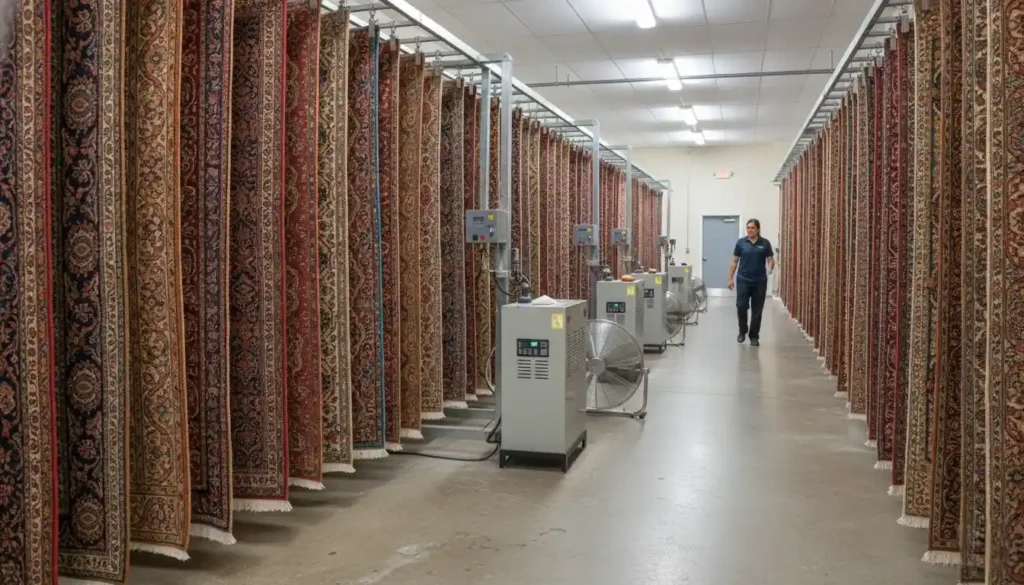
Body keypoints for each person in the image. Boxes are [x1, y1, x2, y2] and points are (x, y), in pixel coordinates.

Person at [726, 219, 775, 347]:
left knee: (757, 310)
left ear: (758, 229)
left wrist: (770, 267)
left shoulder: (765, 243)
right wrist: (730, 278)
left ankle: (754, 336)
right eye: (748, 228)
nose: (750, 230)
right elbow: (734, 261)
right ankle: (742, 331)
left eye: (753, 228)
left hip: (759, 281)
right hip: (743, 280)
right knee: (741, 306)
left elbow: (770, 259)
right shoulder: (741, 243)